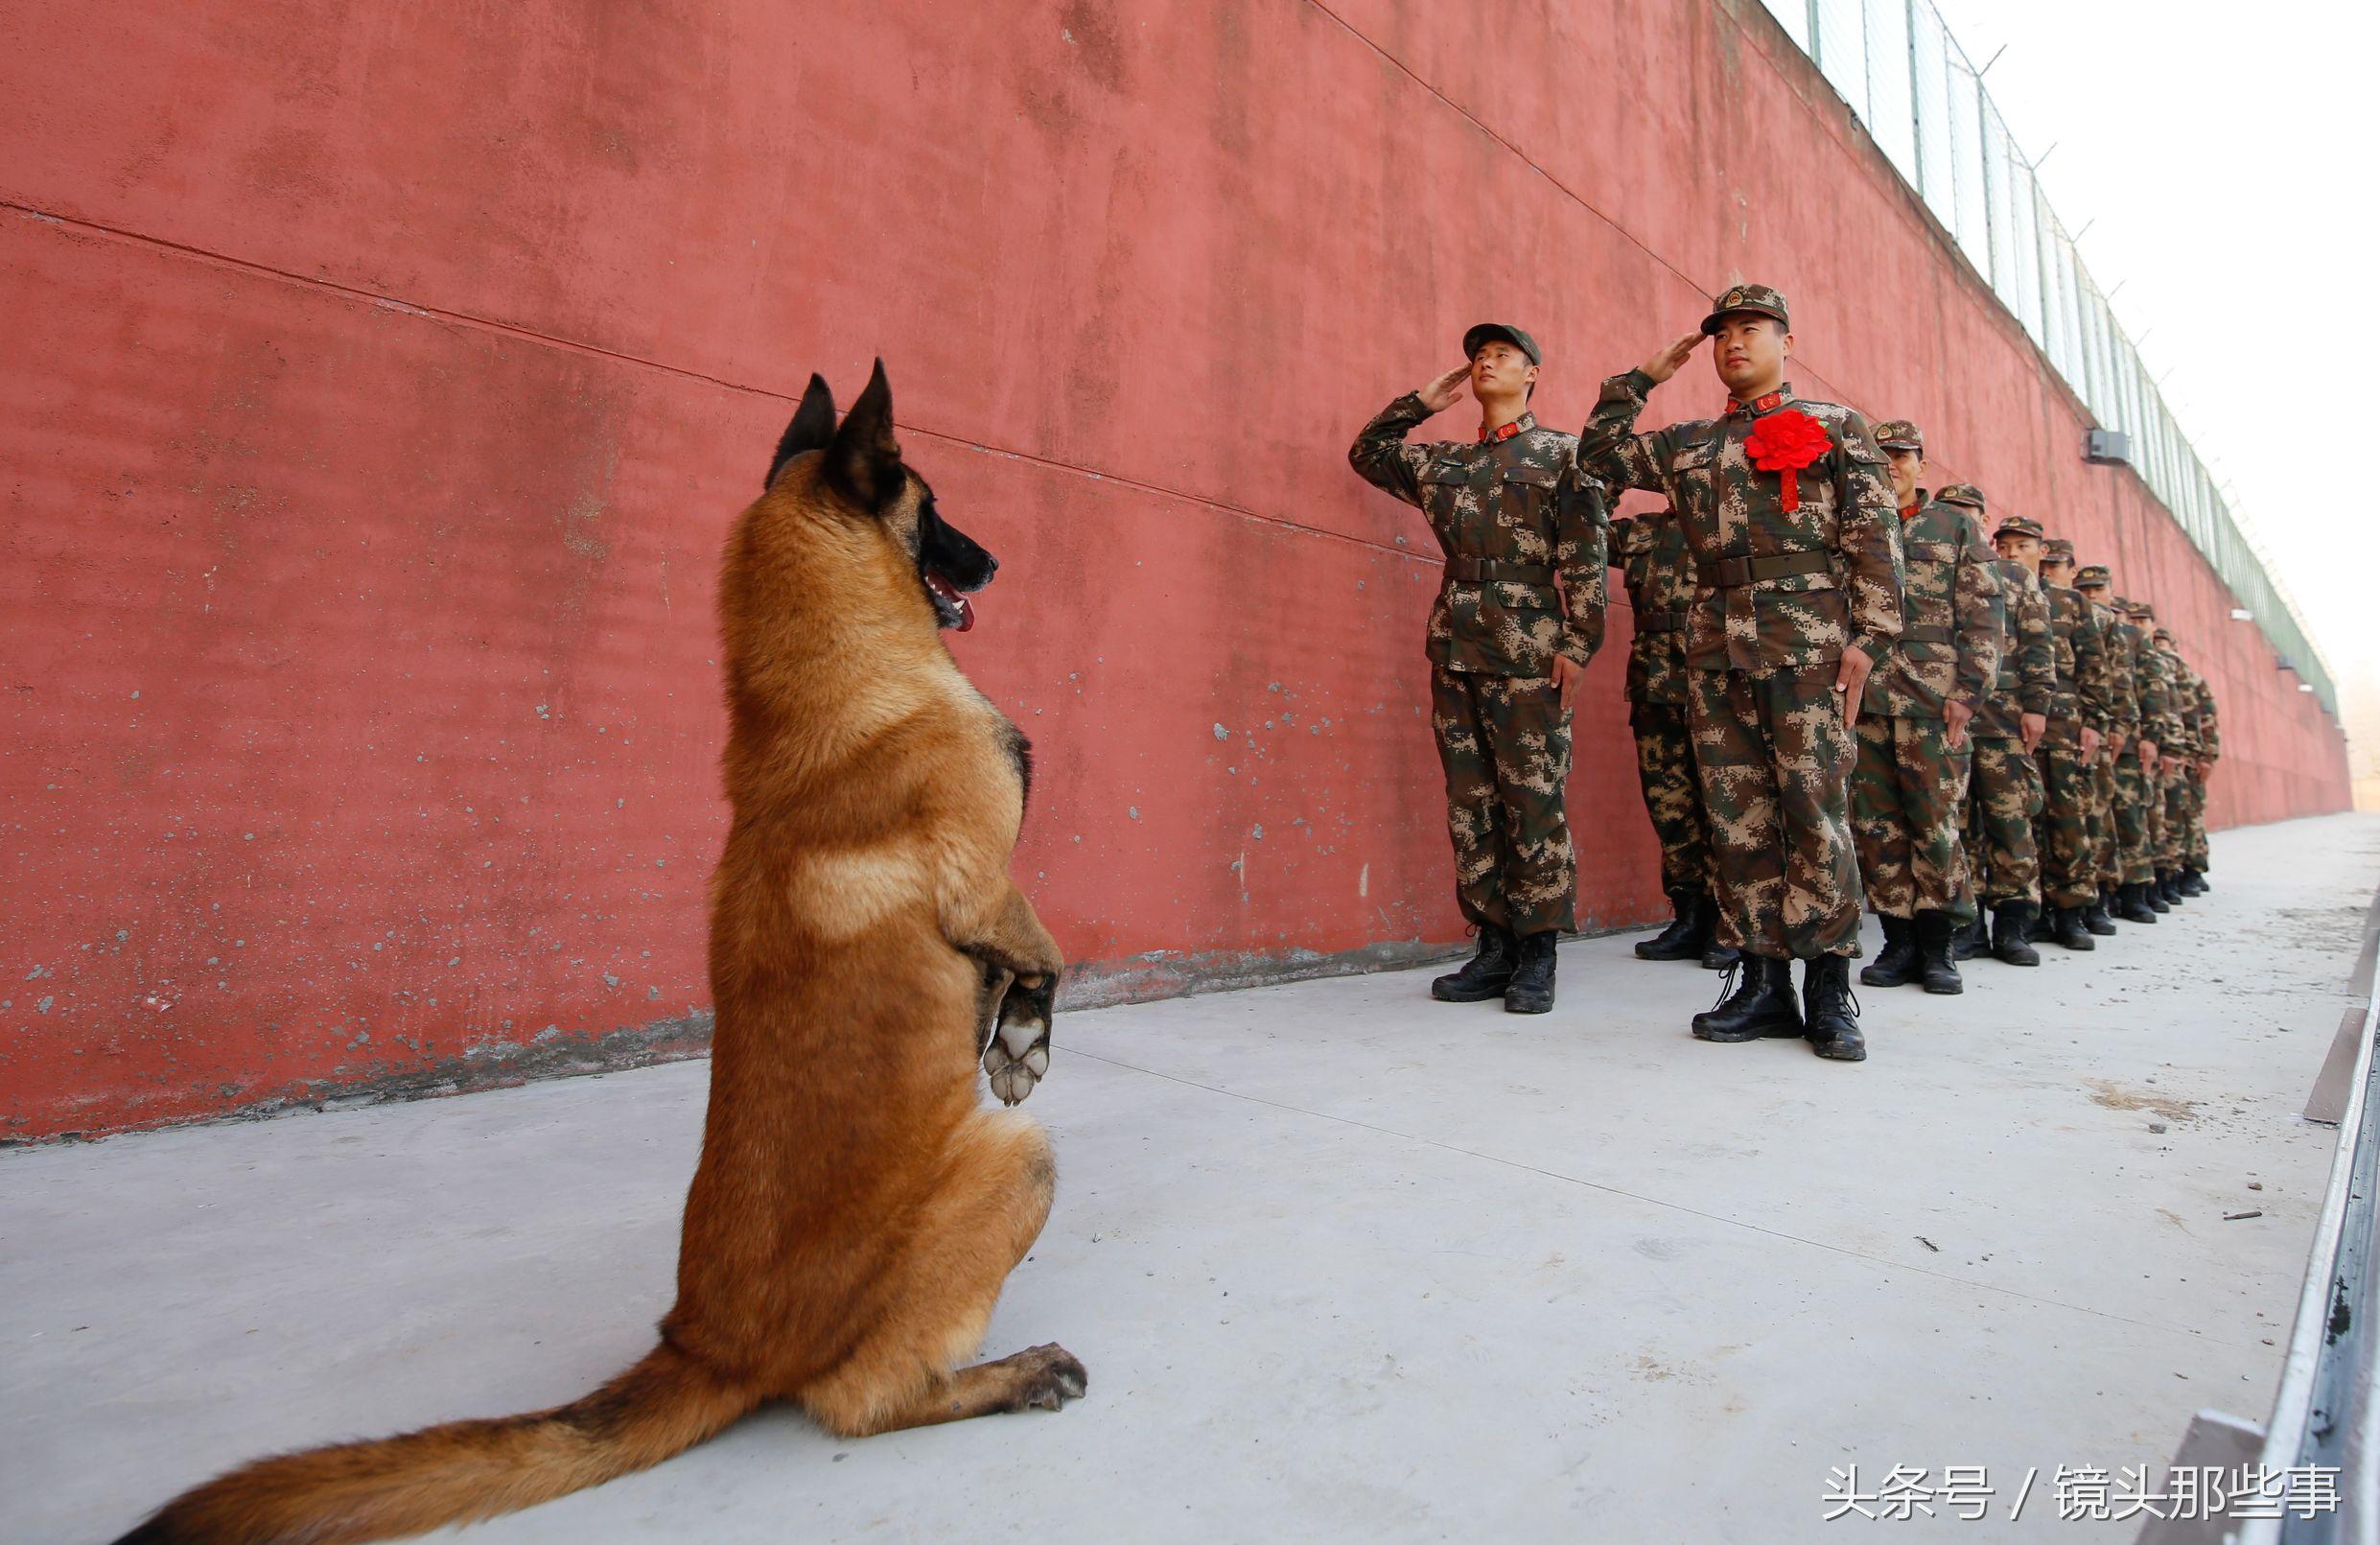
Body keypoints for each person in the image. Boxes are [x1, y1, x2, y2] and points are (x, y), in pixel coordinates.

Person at [1578, 283, 1903, 1061]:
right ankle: (1761, 985)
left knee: (1814, 810)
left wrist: (1874, 634)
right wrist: (1640, 378)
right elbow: (1598, 457)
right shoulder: (1687, 442)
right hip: (1717, 641)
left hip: (1810, 643)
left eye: (1752, 329)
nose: (1735, 343)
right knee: (1736, 815)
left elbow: (1872, 530)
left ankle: (1829, 989)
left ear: (1785, 341)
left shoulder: (1832, 426)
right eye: (1723, 333)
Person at [1350, 323, 1608, 1014]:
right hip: (1455, 643)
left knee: (1533, 796)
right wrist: (1419, 403)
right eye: (1479, 353)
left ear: (1532, 375)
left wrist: (1580, 642)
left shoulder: (1562, 455)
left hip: (1529, 648)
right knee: (1471, 802)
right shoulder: (1446, 462)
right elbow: (1368, 454)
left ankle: (1538, 949)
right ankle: (1493, 943)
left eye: (1503, 353)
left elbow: (1584, 555)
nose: (1485, 360)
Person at [1850, 421, 2001, 995]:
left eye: (1901, 455)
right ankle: (1898, 941)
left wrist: (1970, 692)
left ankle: (1939, 947)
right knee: (1876, 825)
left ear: (1922, 465)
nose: (1890, 464)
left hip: (1934, 702)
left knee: (1936, 822)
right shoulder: (1852, 521)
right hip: (1864, 699)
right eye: (1879, 455)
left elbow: (1984, 612)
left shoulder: (1955, 525)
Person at [1610, 505, 1738, 971]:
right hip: (1653, 682)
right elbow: (1579, 528)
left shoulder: (1728, 520)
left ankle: (1730, 921)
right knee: (1669, 805)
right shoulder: (1641, 531)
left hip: (1715, 684)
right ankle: (1689, 915)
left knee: (1723, 806)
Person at [1951, 497, 2052, 966]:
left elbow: (2036, 644)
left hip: (2005, 720)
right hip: (1951, 716)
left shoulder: (2014, 577)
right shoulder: (1936, 566)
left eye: (1969, 514)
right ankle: (1967, 927)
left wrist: (2037, 707)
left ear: (1982, 522)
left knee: (2011, 823)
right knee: (1958, 825)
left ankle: (2013, 926)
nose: (1961, 521)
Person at [2029, 536, 2112, 949]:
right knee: (2023, 822)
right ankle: (2032, 911)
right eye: (2003, 546)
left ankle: (2072, 910)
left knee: (2068, 819)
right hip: (2015, 722)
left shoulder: (2071, 604)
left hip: (2065, 726)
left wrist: (2095, 721)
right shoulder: (2003, 590)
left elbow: (2094, 666)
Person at [2075, 567, 2159, 925]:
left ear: (2110, 590)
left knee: (2127, 817)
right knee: (2089, 819)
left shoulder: (2129, 634)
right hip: (2079, 734)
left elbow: (2143, 687)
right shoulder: (2071, 617)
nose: (2091, 595)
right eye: (2085, 589)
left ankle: (2135, 891)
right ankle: (2096, 897)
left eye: (2097, 589)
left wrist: (2146, 736)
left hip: (2121, 740)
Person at [2127, 599, 2180, 915]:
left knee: (2155, 815)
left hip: (2148, 746)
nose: (2137, 624)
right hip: (2120, 744)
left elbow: (2172, 708)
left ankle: (2159, 879)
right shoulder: (2118, 643)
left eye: (2142, 619)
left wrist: (2169, 747)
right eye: (2133, 618)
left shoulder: (2156, 660)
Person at [2149, 624, 2205, 907]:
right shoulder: (2148, 659)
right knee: (2163, 814)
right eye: (2155, 641)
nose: (2160, 645)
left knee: (2180, 813)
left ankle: (2186, 869)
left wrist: (2197, 752)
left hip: (2177, 749)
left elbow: (2192, 712)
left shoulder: (2182, 671)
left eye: (2163, 641)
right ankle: (2168, 873)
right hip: (2159, 747)